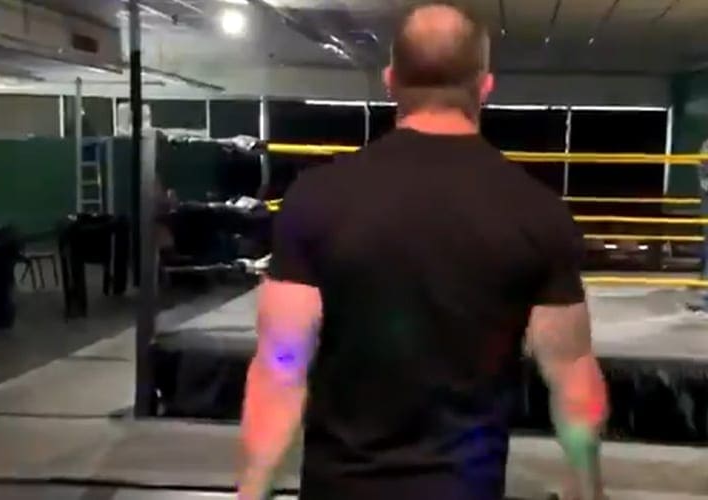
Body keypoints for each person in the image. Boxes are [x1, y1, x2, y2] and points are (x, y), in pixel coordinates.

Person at [237, 3, 608, 500]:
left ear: (390, 81)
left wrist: (252, 490)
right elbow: (573, 379)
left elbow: (280, 368)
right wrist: (589, 491)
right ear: (485, 86)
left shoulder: (317, 198)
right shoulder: (537, 211)